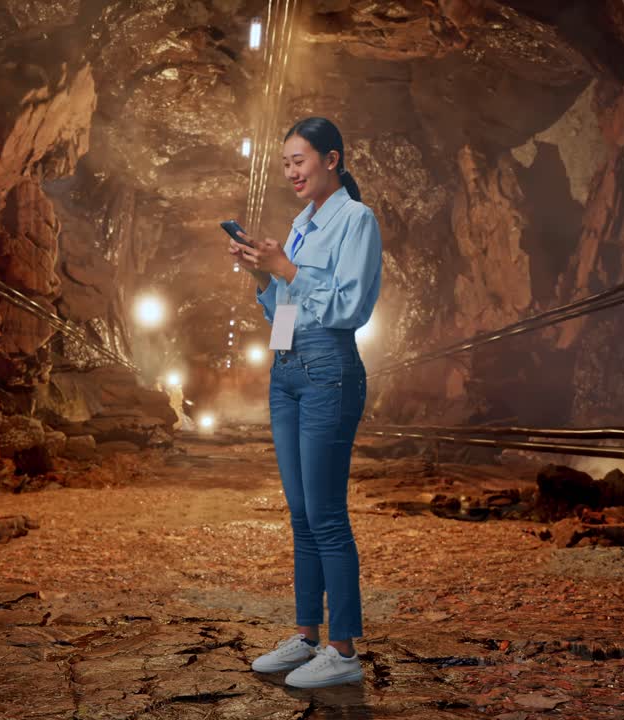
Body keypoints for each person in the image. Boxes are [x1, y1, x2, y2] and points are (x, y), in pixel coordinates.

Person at [227, 117, 382, 688]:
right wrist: (263, 279)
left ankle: (342, 651)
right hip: (287, 367)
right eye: (286, 162)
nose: (291, 171)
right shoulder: (299, 223)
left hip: (328, 371)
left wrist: (285, 268)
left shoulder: (356, 221)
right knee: (299, 514)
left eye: (300, 160)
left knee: (326, 514)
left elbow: (349, 310)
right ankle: (306, 635)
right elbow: (284, 312)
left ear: (331, 159)